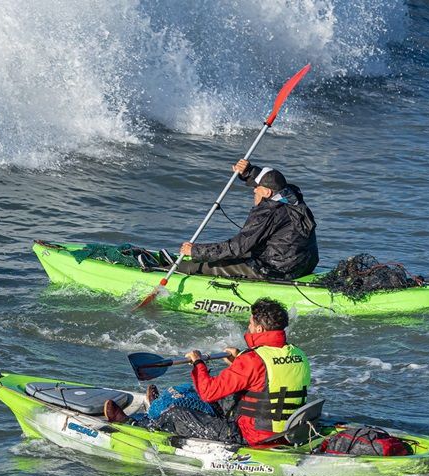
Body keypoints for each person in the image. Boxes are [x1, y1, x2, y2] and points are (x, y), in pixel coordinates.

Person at [106, 298, 310, 446]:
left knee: (176, 414)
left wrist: (198, 364)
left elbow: (208, 392)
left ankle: (135, 424)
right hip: (284, 431)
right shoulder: (298, 354)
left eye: (250, 323)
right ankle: (159, 406)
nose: (247, 328)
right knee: (223, 397)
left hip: (250, 436)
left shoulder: (252, 359)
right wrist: (237, 359)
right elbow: (268, 379)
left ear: (259, 330)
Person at [174, 159, 318, 280]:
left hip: (276, 268)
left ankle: (173, 269)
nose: (254, 190)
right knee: (243, 251)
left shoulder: (268, 212)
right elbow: (272, 181)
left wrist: (196, 251)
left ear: (267, 192)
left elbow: (237, 247)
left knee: (211, 265)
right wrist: (248, 171)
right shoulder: (293, 195)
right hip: (304, 262)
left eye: (257, 187)